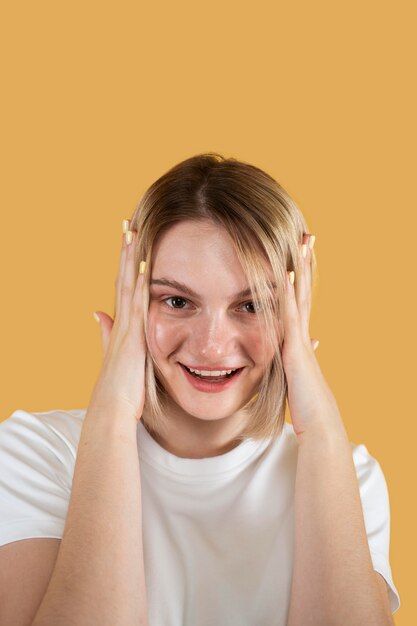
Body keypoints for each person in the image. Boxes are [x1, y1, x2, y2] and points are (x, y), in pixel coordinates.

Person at [0, 153, 400, 625]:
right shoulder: (33, 454)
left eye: (251, 305)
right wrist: (112, 413)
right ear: (131, 299)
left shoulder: (346, 473)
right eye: (176, 301)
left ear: (294, 312)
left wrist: (320, 427)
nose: (212, 346)